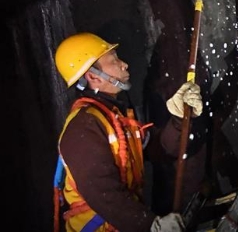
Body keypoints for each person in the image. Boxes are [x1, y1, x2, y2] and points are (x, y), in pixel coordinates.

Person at [53, 32, 203, 232]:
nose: (124, 64)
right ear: (93, 77)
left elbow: (159, 150)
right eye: (114, 60)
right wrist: (151, 226)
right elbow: (102, 193)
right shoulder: (83, 127)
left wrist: (179, 119)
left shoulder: (115, 118)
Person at [144, 0, 238, 216]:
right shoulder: (174, 50)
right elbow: (198, 126)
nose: (186, 0)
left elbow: (205, 116)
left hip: (191, 182)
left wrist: (233, 77)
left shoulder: (181, 42)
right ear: (159, 7)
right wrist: (232, 169)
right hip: (183, 191)